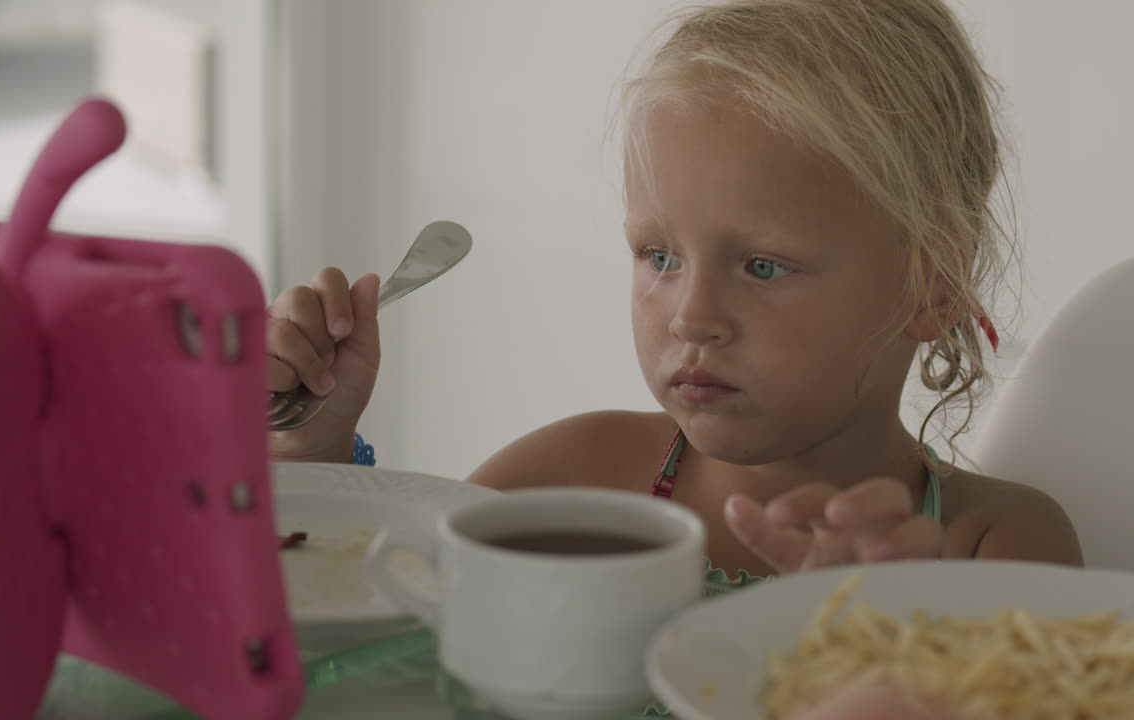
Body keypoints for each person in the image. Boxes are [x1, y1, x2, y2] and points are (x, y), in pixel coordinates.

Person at [265, 0, 1083, 583]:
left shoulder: (988, 549)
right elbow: (368, 618)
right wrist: (315, 452)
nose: (691, 316)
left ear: (932, 282)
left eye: (762, 266)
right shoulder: (568, 478)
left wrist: (884, 650)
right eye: (658, 256)